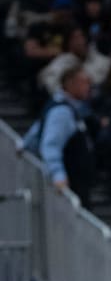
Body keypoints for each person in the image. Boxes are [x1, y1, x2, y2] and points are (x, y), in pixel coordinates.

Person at [25, 66, 95, 206]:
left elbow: (37, 131)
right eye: (84, 82)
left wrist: (24, 145)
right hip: (70, 182)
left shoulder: (68, 107)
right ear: (70, 84)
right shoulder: (61, 111)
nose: (89, 86)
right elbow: (50, 145)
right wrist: (58, 175)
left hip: (79, 179)